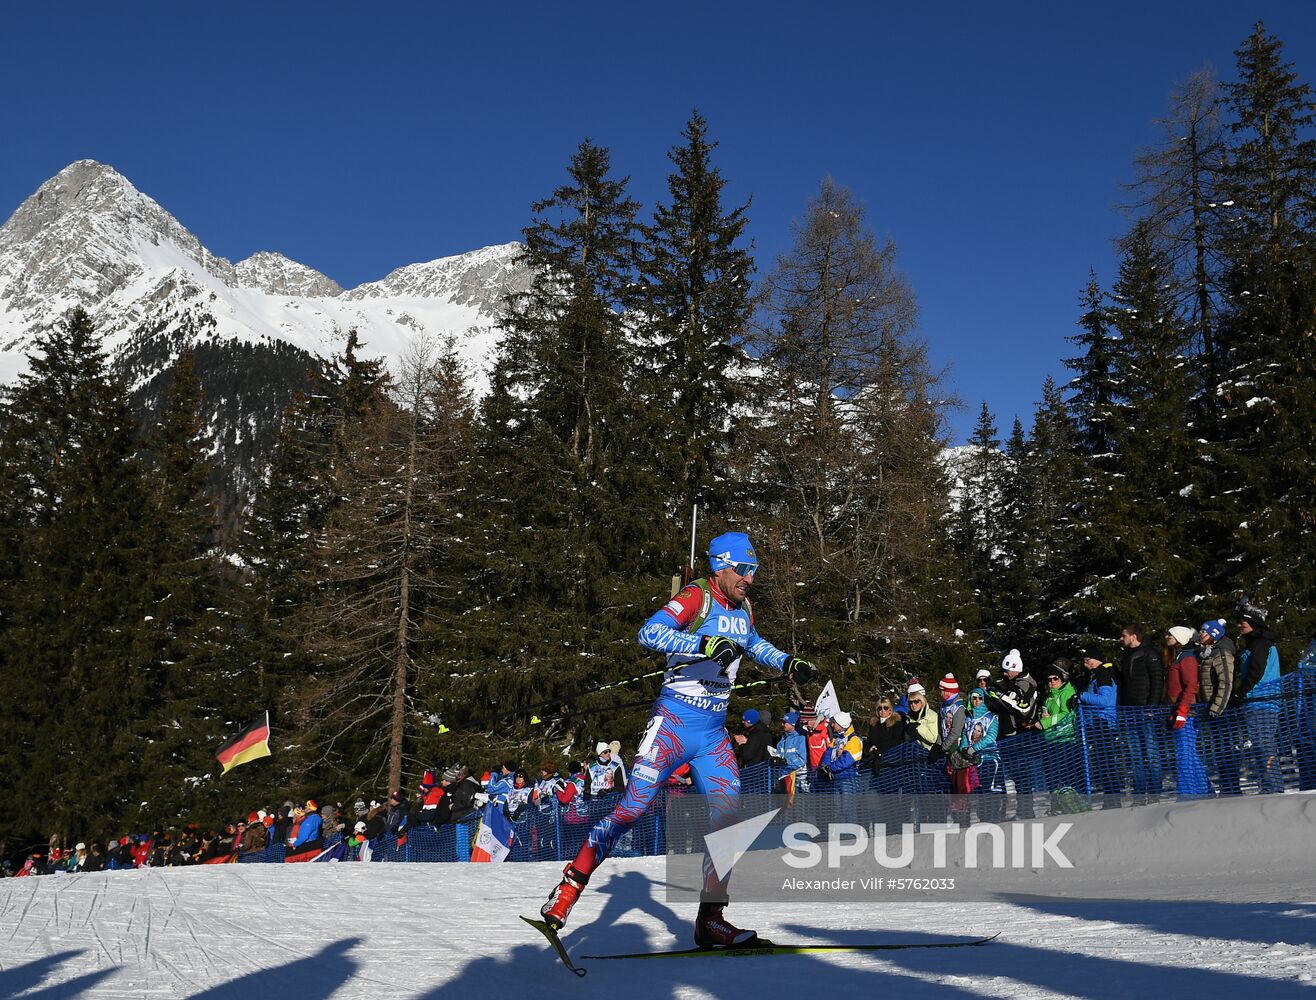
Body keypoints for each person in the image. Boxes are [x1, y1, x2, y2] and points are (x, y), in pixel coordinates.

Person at [539, 531, 816, 947]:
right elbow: (650, 633)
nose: (749, 579)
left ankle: (711, 920)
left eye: (754, 571)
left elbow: (753, 643)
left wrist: (788, 661)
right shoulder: (696, 596)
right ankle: (567, 890)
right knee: (631, 809)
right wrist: (703, 641)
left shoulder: (744, 607)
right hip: (673, 722)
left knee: (728, 821)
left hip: (712, 733)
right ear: (721, 565)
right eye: (743, 570)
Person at [1119, 624, 1167, 804]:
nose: (1121, 639)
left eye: (1123, 635)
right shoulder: (1126, 655)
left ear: (1133, 637)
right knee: (1134, 753)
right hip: (1129, 710)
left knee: (1151, 750)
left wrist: (1151, 707)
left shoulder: (1150, 653)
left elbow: (1157, 682)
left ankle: (1154, 792)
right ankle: (1139, 794)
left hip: (1146, 710)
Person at [1236, 610, 1283, 793]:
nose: (1240, 625)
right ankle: (1269, 785)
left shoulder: (1260, 643)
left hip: (1261, 700)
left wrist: (1241, 692)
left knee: (1264, 744)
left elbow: (1256, 671)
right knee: (1261, 744)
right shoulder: (1256, 643)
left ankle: (1273, 787)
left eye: (1244, 622)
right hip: (1259, 700)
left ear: (1254, 624)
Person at [1165, 626, 1211, 797]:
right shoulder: (1178, 656)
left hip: (1186, 714)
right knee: (1188, 753)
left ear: (1180, 638)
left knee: (1184, 754)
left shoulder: (1188, 659)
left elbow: (1191, 686)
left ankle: (1187, 793)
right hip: (1178, 710)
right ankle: (1203, 789)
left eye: (1171, 634)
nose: (1167, 636)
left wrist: (1182, 710)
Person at [1197, 619, 1240, 795]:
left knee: (1226, 749)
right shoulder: (1209, 652)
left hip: (1222, 711)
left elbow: (1226, 682)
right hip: (1213, 709)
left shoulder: (1221, 651)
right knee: (1220, 750)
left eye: (1204, 632)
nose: (1201, 635)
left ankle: (1231, 789)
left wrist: (1217, 707)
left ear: (1214, 634)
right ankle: (1226, 788)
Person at [1076, 653, 1120, 808]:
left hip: (1103, 722)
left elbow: (1105, 700)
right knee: (1102, 763)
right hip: (1096, 723)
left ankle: (1113, 799)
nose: (1085, 663)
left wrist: (1081, 696)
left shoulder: (1104, 674)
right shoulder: (1095, 675)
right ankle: (1110, 798)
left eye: (1088, 659)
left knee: (1107, 762)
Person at [963, 687, 1004, 821]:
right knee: (979, 792)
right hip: (974, 761)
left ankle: (994, 816)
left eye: (980, 698)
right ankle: (983, 817)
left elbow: (990, 737)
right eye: (974, 698)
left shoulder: (990, 717)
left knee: (990, 789)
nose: (976, 701)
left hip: (989, 759)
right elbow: (965, 735)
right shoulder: (968, 719)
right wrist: (964, 748)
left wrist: (974, 748)